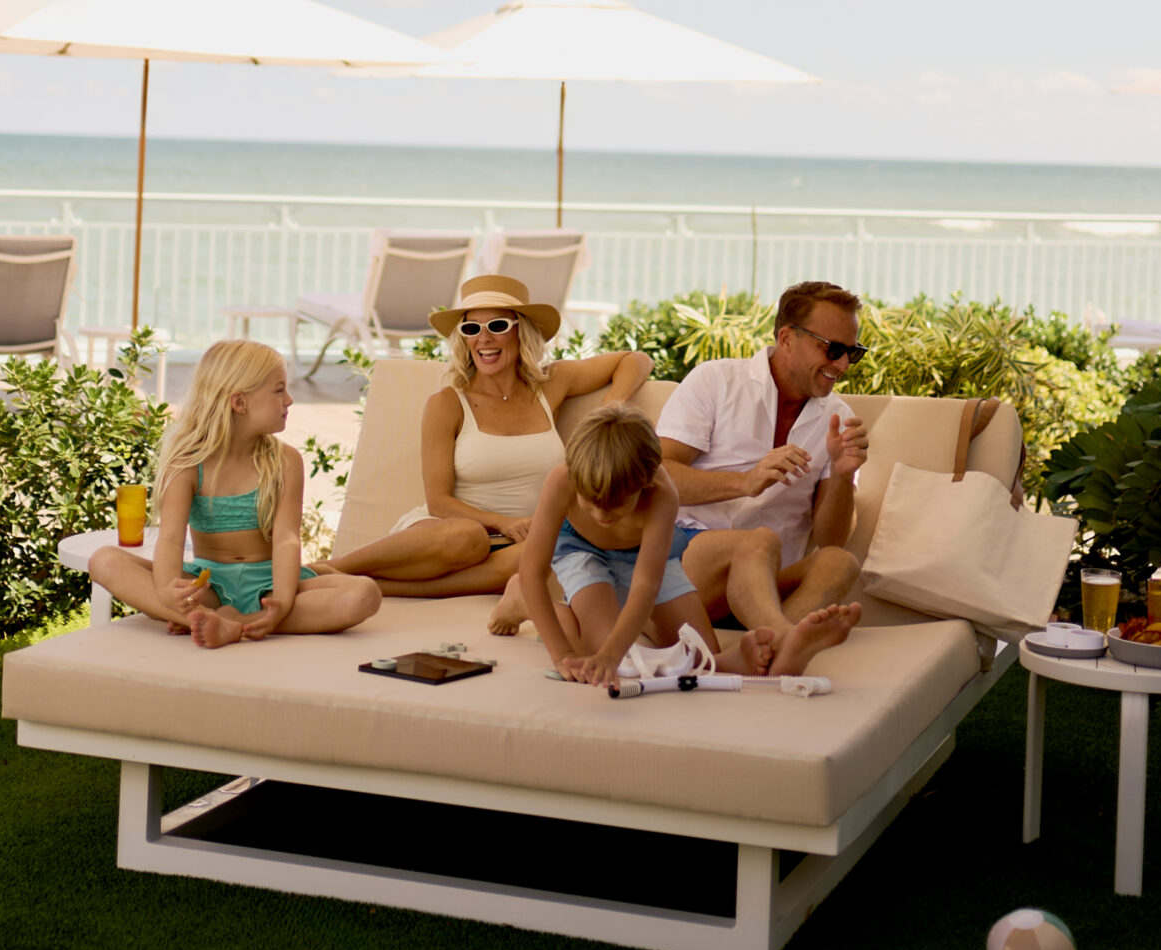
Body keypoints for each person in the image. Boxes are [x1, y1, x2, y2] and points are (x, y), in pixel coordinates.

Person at [319, 275, 651, 627]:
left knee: (539, 552)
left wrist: (611, 408)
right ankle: (328, 569)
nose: (484, 338)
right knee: (469, 536)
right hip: (445, 532)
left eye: (496, 325)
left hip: (514, 547)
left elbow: (635, 360)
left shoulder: (550, 385)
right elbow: (439, 502)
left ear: (520, 332)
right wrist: (504, 523)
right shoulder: (447, 403)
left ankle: (382, 587)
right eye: (471, 328)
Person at [518, 404, 859, 690]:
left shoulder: (662, 493)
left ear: (645, 483)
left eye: (617, 504)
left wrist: (610, 654)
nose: (602, 513)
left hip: (644, 558)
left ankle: (734, 659)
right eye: (590, 502)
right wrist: (564, 655)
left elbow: (646, 584)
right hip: (583, 552)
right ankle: (514, 602)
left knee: (700, 654)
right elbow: (531, 573)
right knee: (615, 658)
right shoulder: (562, 479)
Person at [88, 338, 380, 647]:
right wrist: (167, 591)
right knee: (104, 561)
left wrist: (281, 601)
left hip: (271, 582)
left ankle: (233, 623)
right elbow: (171, 538)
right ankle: (205, 617)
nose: (290, 400)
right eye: (279, 390)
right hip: (208, 586)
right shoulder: (186, 463)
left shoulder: (285, 461)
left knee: (364, 595)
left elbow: (286, 538)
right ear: (239, 403)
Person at [659, 279, 868, 653]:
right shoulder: (716, 381)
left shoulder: (838, 417)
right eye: (833, 349)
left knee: (840, 561)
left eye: (853, 352)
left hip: (767, 586)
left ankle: (772, 645)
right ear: (787, 338)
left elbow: (831, 537)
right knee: (757, 542)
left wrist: (839, 474)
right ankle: (787, 639)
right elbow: (656, 475)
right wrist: (744, 482)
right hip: (687, 569)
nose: (841, 364)